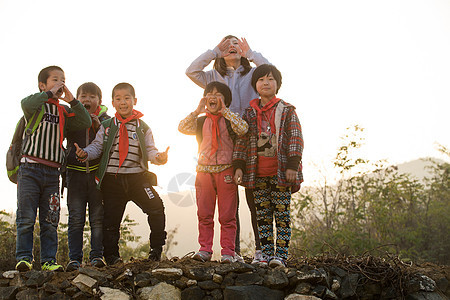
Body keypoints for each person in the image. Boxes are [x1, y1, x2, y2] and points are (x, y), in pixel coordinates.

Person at [186, 35, 269, 263]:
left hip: (249, 135)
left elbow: (269, 71)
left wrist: (251, 53)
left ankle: (262, 250)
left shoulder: (252, 75)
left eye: (236, 43)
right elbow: (191, 71)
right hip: (221, 142)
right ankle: (232, 252)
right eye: (227, 43)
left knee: (254, 194)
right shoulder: (213, 77)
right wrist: (213, 52)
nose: (232, 46)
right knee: (229, 202)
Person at [74, 82, 169, 265]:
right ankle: (111, 256)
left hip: (137, 178)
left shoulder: (143, 127)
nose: (123, 102)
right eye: (118, 99)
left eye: (127, 98)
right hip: (112, 180)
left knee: (156, 207)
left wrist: (159, 157)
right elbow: (97, 146)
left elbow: (150, 150)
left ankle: (156, 249)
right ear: (113, 102)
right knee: (110, 220)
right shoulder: (108, 125)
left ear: (134, 100)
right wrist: (85, 153)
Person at [15, 66, 92, 272]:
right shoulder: (35, 107)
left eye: (63, 80)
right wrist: (48, 94)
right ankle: (24, 258)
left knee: (50, 219)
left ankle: (48, 260)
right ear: (42, 85)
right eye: (55, 80)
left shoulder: (64, 111)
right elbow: (26, 102)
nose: (60, 83)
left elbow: (84, 121)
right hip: (29, 169)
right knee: (26, 217)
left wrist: (72, 100)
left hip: (52, 174)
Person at [233, 64, 303, 268]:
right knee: (262, 216)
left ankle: (280, 256)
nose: (266, 83)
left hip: (281, 173)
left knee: (281, 215)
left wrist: (292, 165)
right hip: (257, 174)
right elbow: (242, 141)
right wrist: (239, 166)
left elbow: (296, 138)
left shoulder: (287, 110)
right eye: (261, 79)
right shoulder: (250, 113)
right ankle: (265, 254)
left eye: (271, 79)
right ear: (255, 85)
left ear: (277, 85)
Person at [178, 81, 248, 263]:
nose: (213, 97)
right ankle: (205, 249)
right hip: (203, 171)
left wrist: (225, 111)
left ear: (225, 100)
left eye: (218, 94)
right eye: (210, 93)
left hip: (226, 171)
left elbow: (244, 129)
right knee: (204, 213)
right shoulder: (201, 121)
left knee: (227, 215)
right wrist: (197, 110)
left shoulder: (230, 120)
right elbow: (182, 127)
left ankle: (228, 252)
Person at [65, 82, 110, 271]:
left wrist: (99, 126)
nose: (87, 100)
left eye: (92, 97)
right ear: (77, 99)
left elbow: (110, 145)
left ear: (99, 101)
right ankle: (74, 259)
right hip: (74, 174)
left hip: (97, 177)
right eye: (83, 96)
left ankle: (97, 256)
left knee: (98, 218)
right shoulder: (71, 117)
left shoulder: (107, 120)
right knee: (75, 218)